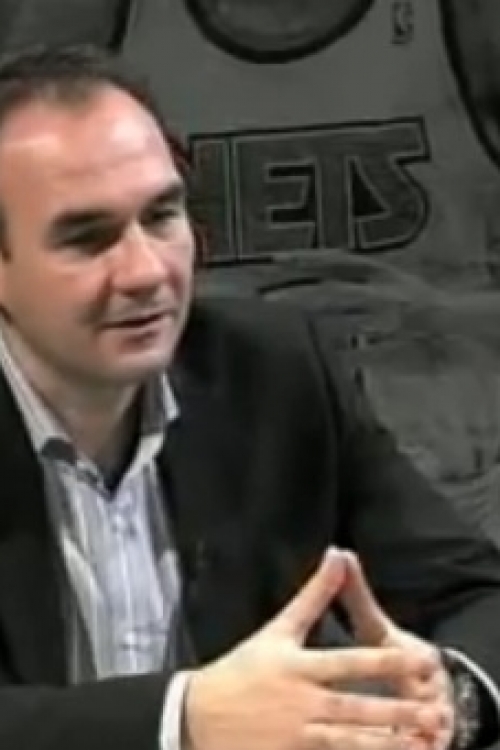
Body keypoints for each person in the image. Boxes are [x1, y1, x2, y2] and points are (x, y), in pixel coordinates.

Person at [0, 44, 499, 750]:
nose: (145, 271)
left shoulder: (273, 372)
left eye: (162, 216)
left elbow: (473, 593)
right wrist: (184, 720)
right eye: (87, 239)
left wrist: (448, 695)